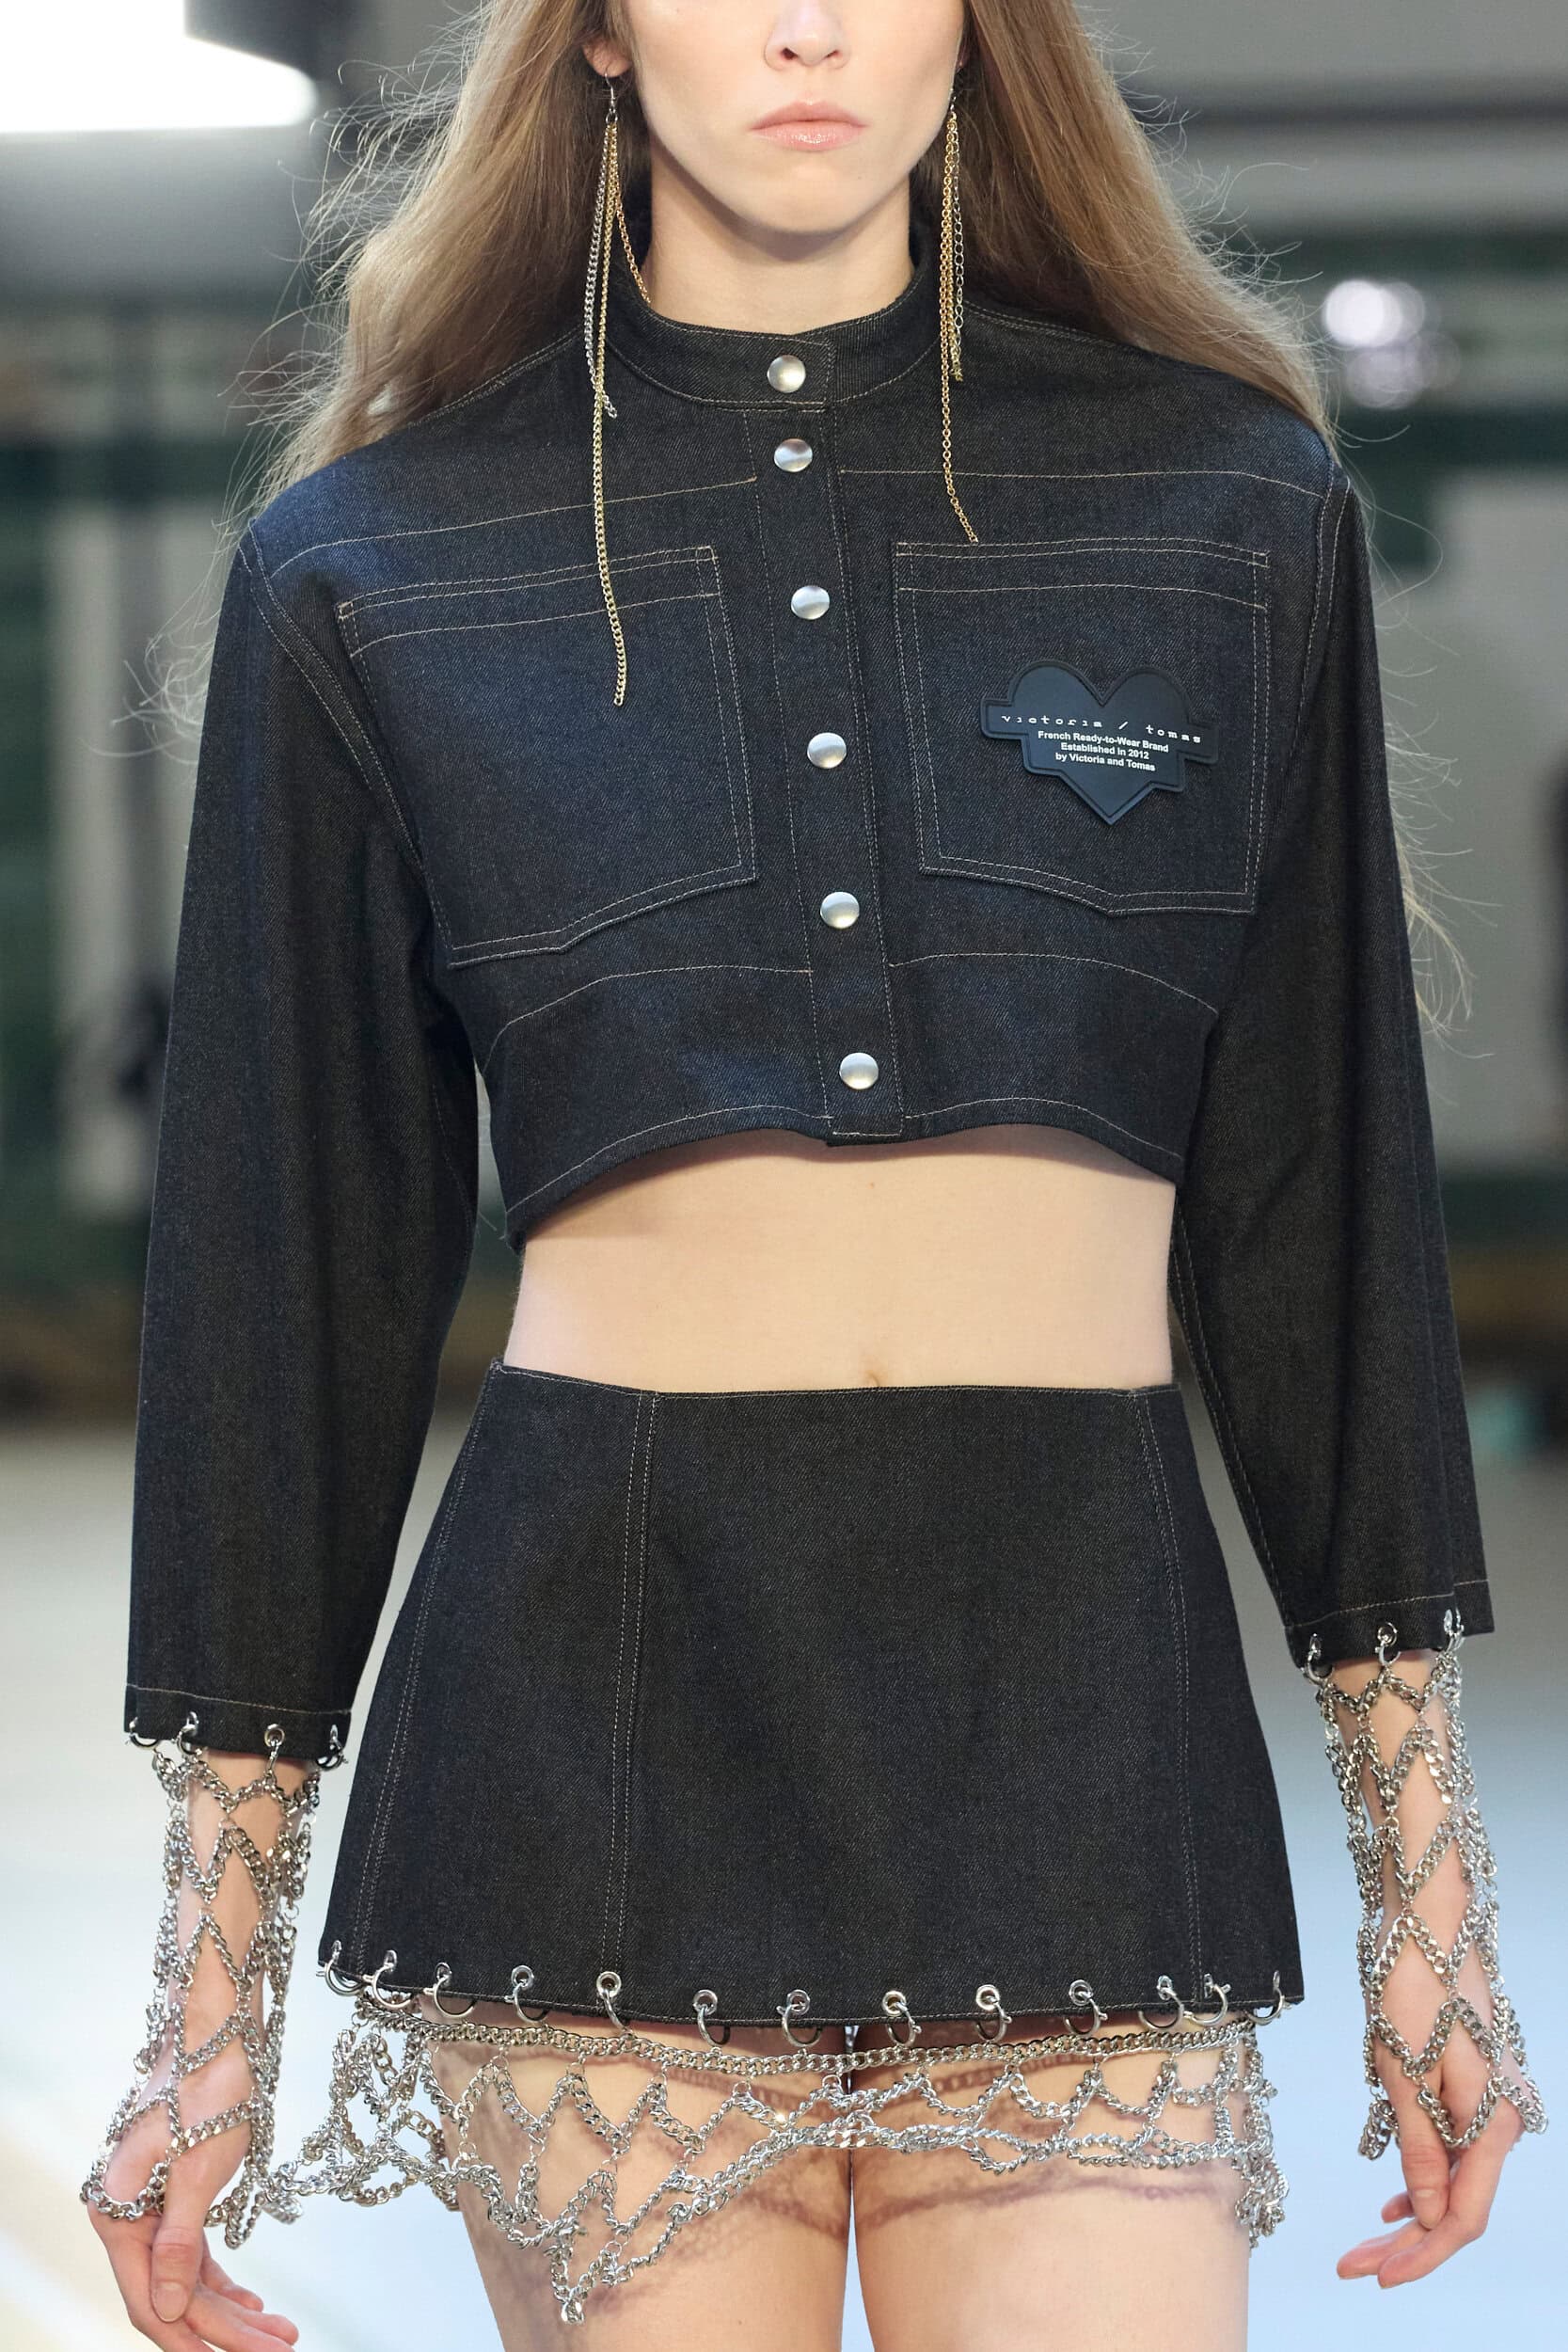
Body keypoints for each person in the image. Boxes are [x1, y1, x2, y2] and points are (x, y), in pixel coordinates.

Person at [82, 4, 1547, 2346]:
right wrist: (208, 1990)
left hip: (1081, 1689)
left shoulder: (1223, 507)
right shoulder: (377, 560)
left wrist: (1431, 1899)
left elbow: (1321, 1211)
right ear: (592, 32)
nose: (803, 24)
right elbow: (288, 1293)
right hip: (596, 1712)